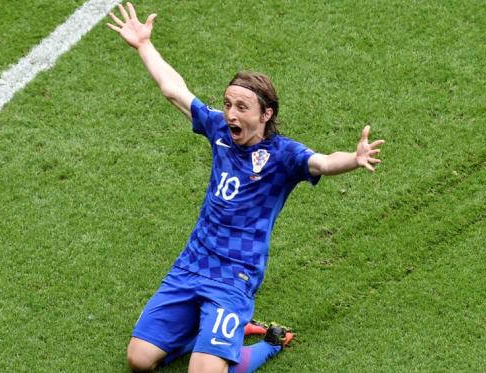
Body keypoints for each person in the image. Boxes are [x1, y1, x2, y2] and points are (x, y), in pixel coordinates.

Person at [107, 3, 384, 372]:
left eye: (241, 107)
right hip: (193, 264)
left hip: (234, 275)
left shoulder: (283, 154)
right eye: (227, 104)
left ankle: (270, 342)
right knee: (139, 360)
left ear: (265, 114)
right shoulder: (220, 130)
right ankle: (211, 332)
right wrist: (144, 45)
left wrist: (353, 158)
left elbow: (322, 162)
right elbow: (174, 91)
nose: (231, 114)